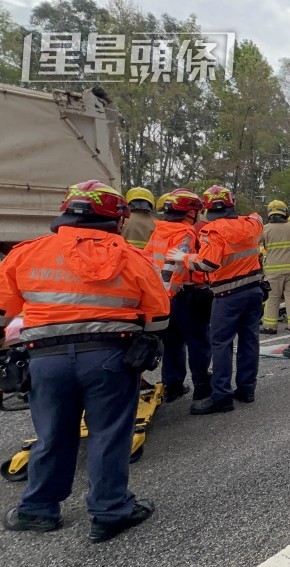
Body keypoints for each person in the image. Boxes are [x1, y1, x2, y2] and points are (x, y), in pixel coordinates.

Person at [0, 180, 169, 543]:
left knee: (51, 436)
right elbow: (159, 316)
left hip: (45, 359)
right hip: (111, 357)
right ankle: (110, 512)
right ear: (117, 220)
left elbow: (6, 314)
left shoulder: (24, 254)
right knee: (108, 435)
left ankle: (37, 510)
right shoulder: (132, 257)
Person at [167, 185, 263, 415]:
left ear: (207, 208)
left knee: (220, 344)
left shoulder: (212, 231)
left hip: (228, 295)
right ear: (231, 203)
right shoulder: (251, 223)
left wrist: (185, 257)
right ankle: (247, 389)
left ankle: (221, 395)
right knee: (250, 340)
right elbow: (258, 217)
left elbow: (207, 264)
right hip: (253, 291)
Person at [145, 189, 213, 403]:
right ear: (189, 212)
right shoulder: (186, 233)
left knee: (173, 343)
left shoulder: (158, 231)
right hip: (184, 295)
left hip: (163, 297)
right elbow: (177, 267)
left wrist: (160, 297)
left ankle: (172, 385)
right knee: (198, 342)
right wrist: (172, 293)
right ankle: (202, 386)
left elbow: (147, 260)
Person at [260, 200, 290, 335]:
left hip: (273, 271)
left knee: (273, 298)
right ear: (285, 212)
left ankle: (270, 327)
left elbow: (254, 243)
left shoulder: (265, 228)